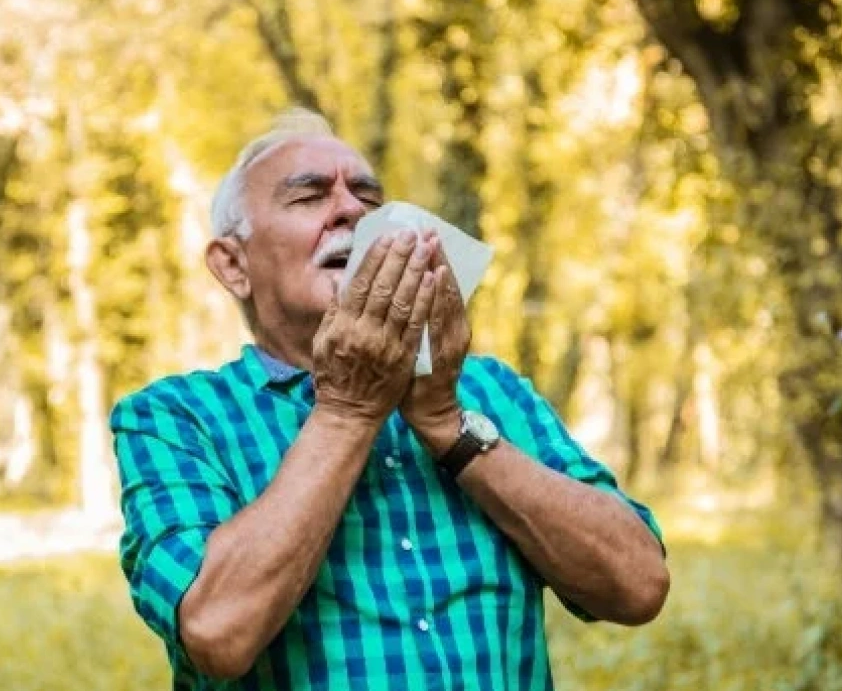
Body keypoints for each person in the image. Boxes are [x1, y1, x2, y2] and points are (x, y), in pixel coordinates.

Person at [110, 108, 669, 690]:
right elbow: (218, 632)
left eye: (367, 198)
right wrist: (348, 410)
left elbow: (638, 584)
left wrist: (450, 426)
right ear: (233, 265)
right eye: (308, 198)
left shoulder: (491, 390)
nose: (351, 209)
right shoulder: (171, 417)